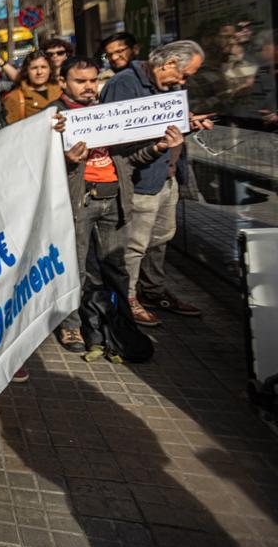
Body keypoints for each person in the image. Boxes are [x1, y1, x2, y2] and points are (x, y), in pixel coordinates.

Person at [49, 57, 180, 359]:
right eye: (80, 81)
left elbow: (130, 160)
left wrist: (158, 148)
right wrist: (65, 159)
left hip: (114, 201)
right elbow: (38, 165)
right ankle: (72, 325)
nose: (88, 87)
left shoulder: (107, 113)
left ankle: (119, 325)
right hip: (79, 203)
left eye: (92, 80)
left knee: (116, 268)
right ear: (63, 83)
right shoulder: (53, 117)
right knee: (76, 269)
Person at [100, 41, 212, 326]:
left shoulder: (171, 90)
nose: (184, 82)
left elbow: (171, 126)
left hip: (166, 176)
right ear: (170, 63)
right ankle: (128, 298)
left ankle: (153, 290)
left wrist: (188, 123)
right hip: (140, 180)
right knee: (135, 245)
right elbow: (113, 135)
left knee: (160, 240)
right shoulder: (124, 83)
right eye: (184, 74)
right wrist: (156, 137)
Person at [3, 49, 62, 123]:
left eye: (43, 67)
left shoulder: (60, 90)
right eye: (34, 68)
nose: (39, 72)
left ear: (50, 70)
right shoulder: (15, 97)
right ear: (26, 71)